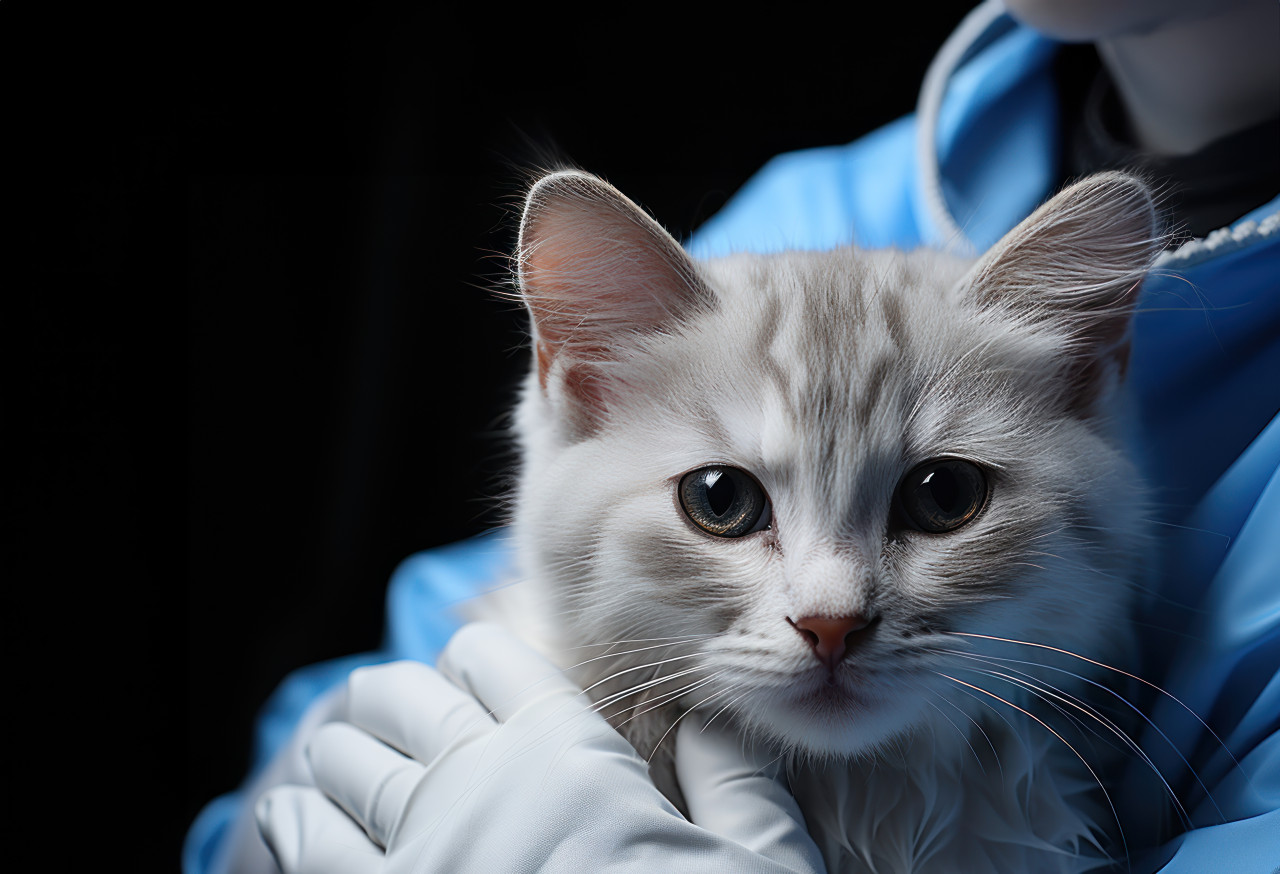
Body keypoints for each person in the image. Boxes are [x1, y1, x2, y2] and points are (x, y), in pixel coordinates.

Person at [185, 0, 1280, 870]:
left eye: (939, 498)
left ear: (1095, 366)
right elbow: (408, 643)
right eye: (724, 499)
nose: (830, 608)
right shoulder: (813, 210)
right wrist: (273, 826)